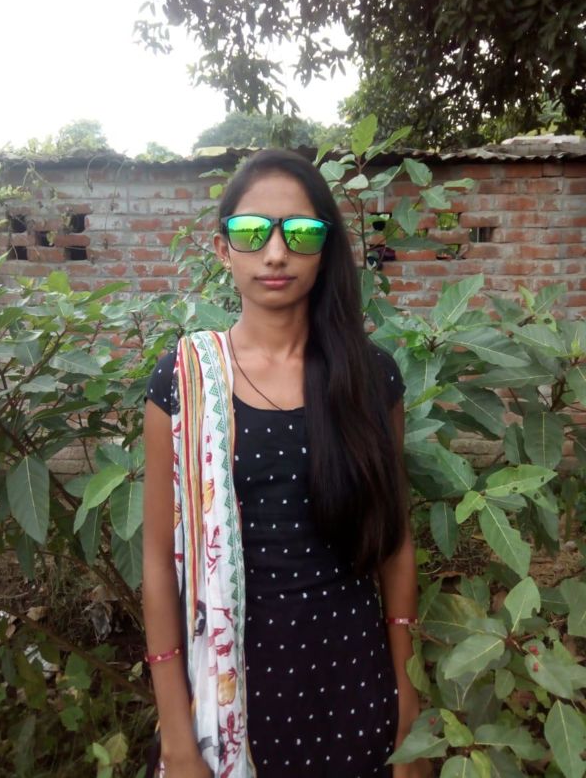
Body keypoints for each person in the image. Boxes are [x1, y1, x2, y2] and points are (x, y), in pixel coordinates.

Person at [143, 149, 426, 778]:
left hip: (358, 684)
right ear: (223, 249)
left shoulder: (370, 378)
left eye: (300, 232)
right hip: (234, 695)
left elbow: (394, 540)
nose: (276, 253)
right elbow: (159, 562)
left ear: (325, 249)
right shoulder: (185, 382)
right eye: (252, 232)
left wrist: (408, 697)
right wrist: (176, 735)